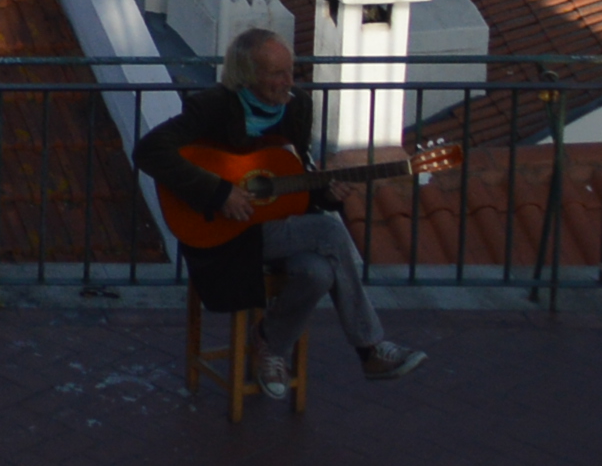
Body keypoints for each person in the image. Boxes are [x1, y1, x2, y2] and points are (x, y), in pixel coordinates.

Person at [133, 26, 430, 392]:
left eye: (290, 71)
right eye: (277, 73)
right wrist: (220, 192)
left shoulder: (297, 107)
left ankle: (269, 346)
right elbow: (149, 151)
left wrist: (329, 194)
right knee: (331, 232)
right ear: (248, 75)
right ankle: (370, 348)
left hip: (278, 229)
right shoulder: (212, 107)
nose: (288, 81)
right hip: (225, 236)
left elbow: (295, 182)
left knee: (318, 271)